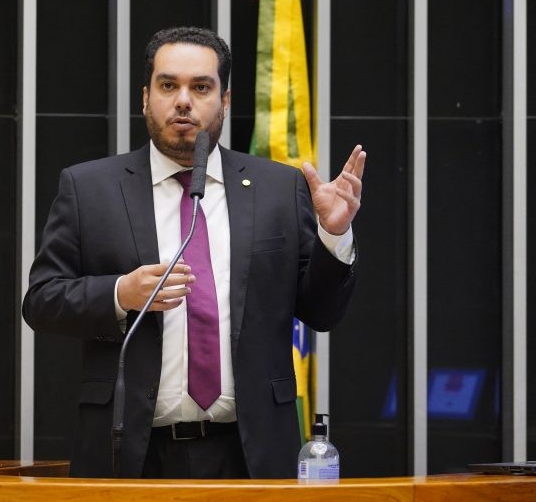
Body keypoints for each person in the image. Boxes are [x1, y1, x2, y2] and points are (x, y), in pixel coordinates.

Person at [22, 26, 366, 479]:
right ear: (146, 98)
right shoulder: (89, 189)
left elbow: (321, 313)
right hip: (129, 453)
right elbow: (42, 301)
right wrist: (121, 293)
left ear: (224, 101)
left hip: (251, 454)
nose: (183, 101)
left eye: (201, 87)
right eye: (168, 85)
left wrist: (333, 236)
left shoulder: (279, 189)